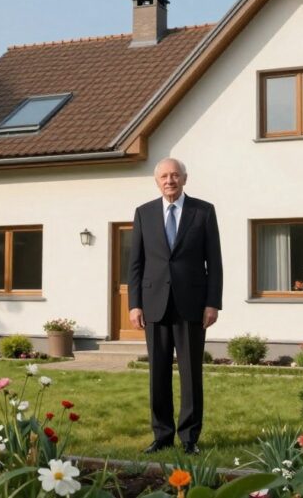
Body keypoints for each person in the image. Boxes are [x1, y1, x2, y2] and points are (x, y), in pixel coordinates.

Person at [129, 157, 223, 455]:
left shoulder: (203, 211)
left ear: (184, 178)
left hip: (192, 305)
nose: (170, 180)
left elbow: (215, 262)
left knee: (191, 373)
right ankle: (162, 435)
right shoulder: (144, 213)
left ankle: (190, 437)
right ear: (157, 181)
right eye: (164, 177)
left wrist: (212, 302)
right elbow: (136, 263)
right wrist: (134, 304)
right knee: (157, 373)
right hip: (154, 303)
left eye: (175, 175)